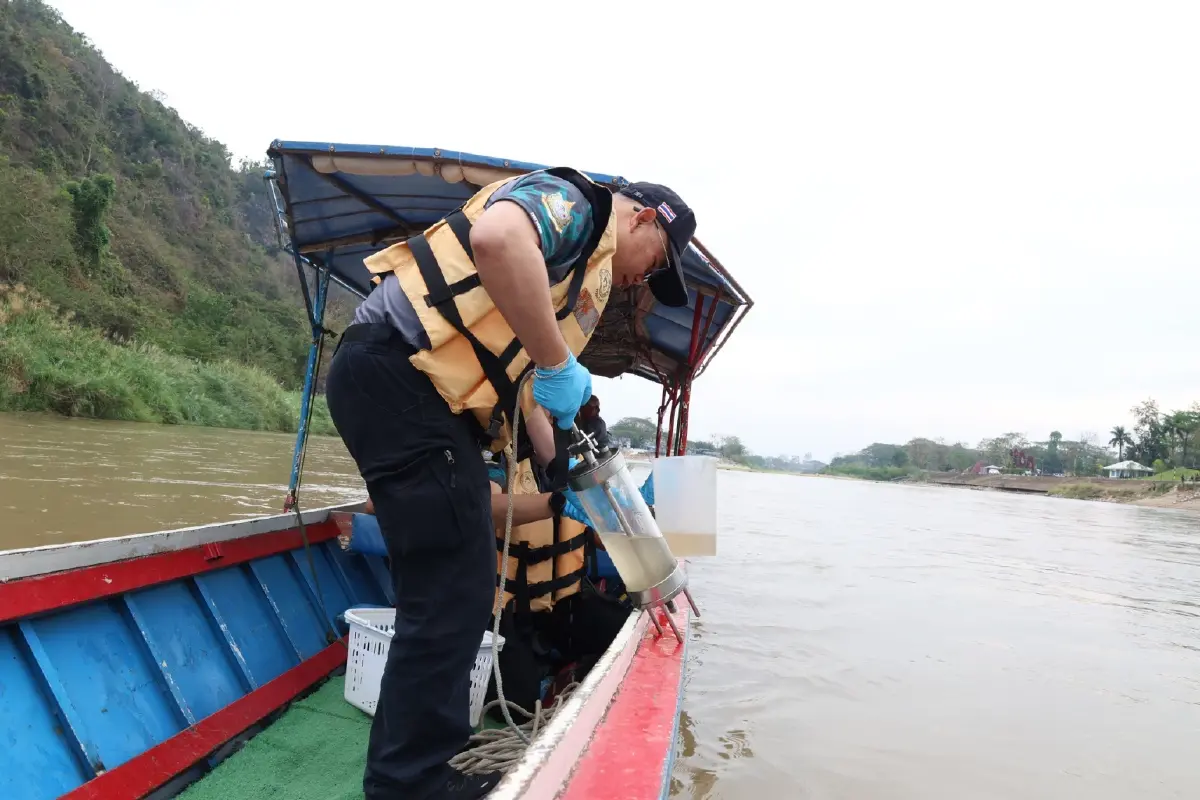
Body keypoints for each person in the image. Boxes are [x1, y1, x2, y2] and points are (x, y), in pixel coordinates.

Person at [324, 165, 698, 800]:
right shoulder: (578, 205)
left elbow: (526, 395)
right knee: (452, 592)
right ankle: (409, 785)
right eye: (655, 262)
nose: (643, 282)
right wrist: (559, 361)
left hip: (422, 398)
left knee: (453, 593)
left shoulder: (582, 277)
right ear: (642, 218)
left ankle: (414, 773)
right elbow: (496, 239)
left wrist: (568, 469)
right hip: (401, 376)